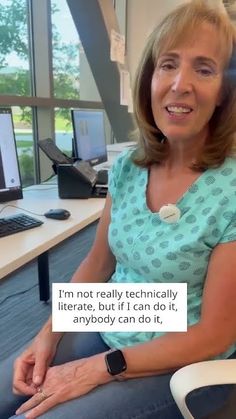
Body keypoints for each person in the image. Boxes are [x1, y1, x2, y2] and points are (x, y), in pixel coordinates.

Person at [2, 1, 236, 418]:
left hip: (184, 354)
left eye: (203, 69)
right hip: (123, 309)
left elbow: (213, 336)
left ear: (224, 92)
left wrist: (98, 368)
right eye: (168, 64)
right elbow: (96, 265)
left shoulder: (231, 187)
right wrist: (47, 333)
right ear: (150, 79)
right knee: (9, 386)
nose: (180, 84)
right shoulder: (129, 166)